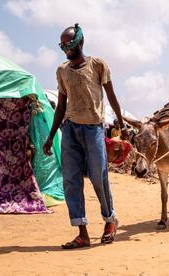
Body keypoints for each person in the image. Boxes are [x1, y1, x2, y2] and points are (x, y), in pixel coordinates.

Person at [43, 23, 128, 249]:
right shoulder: (62, 71)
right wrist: (51, 136)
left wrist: (121, 122)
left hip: (93, 129)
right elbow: (61, 105)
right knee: (71, 181)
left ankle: (110, 221)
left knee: (99, 178)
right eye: (62, 45)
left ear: (80, 42)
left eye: (69, 44)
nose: (65, 49)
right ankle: (82, 233)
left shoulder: (98, 65)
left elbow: (111, 95)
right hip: (70, 130)